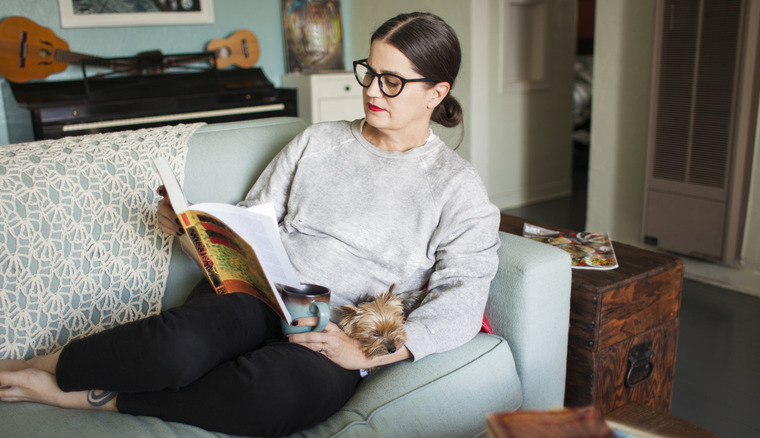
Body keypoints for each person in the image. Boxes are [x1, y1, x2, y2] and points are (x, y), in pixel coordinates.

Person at [0, 12, 500, 437]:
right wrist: (194, 232)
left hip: (336, 329)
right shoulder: (317, 142)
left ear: (437, 93)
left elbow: (461, 302)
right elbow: (253, 221)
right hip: (257, 294)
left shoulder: (457, 189)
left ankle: (97, 399)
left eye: (392, 81)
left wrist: (363, 352)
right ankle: (37, 367)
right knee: (177, 346)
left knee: (275, 394)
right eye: (369, 71)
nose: (372, 90)